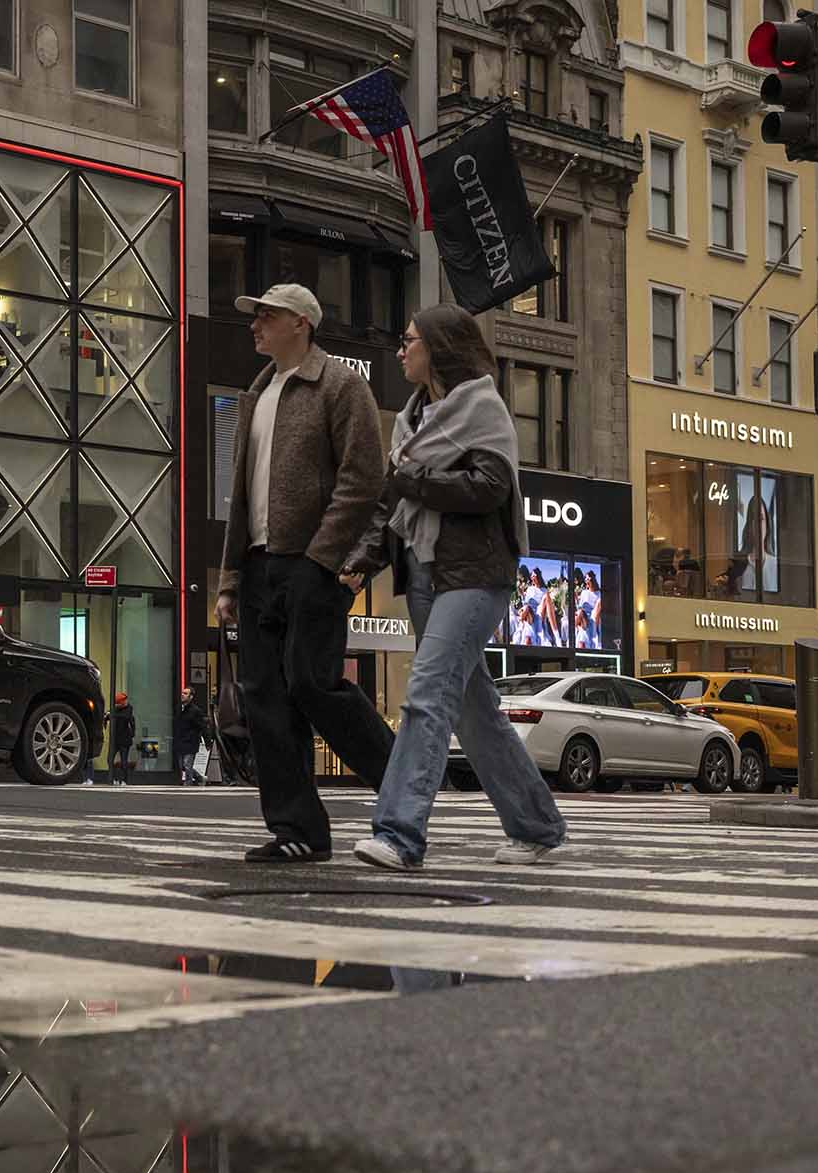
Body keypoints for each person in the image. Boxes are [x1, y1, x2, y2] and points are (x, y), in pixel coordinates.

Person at [338, 305, 567, 870]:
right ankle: (537, 825)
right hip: (422, 572)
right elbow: (391, 505)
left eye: (409, 340)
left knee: (427, 694)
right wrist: (361, 560)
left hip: (475, 574)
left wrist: (412, 478)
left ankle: (399, 833)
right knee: (474, 710)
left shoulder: (482, 408)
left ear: (438, 347)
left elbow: (490, 488)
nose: (400, 349)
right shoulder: (409, 422)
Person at [217, 283, 395, 863]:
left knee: (311, 683)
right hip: (258, 564)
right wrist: (228, 580)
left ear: (300, 322)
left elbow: (364, 478)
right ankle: (298, 829)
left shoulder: (341, 386)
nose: (254, 325)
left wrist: (324, 557)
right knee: (265, 696)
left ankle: (402, 781)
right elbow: (241, 498)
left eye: (264, 316)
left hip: (310, 563)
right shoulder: (257, 391)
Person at [173, 687, 209, 786]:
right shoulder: (179, 709)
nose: (182, 695)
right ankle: (200, 778)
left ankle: (188, 784)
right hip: (180, 741)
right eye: (182, 693)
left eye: (185, 693)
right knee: (182, 766)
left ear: (191, 697)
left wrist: (207, 741)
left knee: (187, 765)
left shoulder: (195, 711)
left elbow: (202, 726)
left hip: (191, 741)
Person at [108, 692, 137, 785]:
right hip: (115, 738)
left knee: (124, 761)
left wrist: (132, 734)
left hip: (124, 739)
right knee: (110, 759)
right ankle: (114, 778)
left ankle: (124, 780)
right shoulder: (115, 709)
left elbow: (127, 717)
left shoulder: (128, 709)